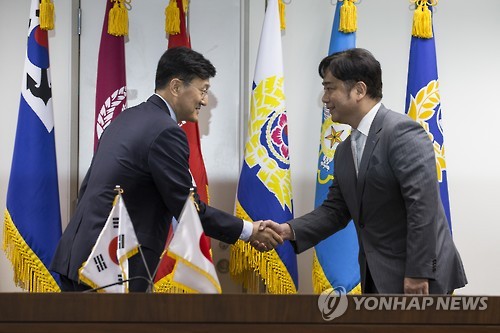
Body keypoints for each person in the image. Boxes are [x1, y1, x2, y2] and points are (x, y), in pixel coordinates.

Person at [50, 46, 282, 292]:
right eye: (202, 91)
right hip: (109, 267)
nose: (204, 100)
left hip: (81, 258)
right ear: (176, 87)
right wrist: (249, 230)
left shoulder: (126, 118)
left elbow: (88, 188)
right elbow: (189, 210)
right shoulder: (165, 131)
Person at [260, 48, 467, 294]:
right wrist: (289, 230)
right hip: (377, 277)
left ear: (359, 90)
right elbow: (335, 211)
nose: (324, 98)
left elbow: (422, 207)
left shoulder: (401, 132)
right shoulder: (345, 150)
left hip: (417, 279)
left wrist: (417, 272)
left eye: (329, 88)